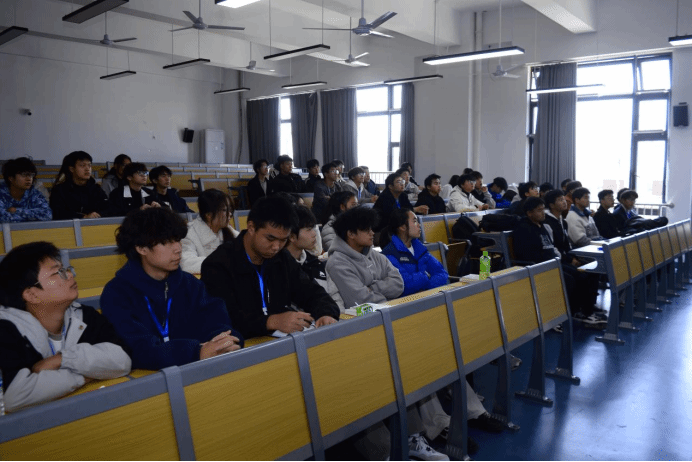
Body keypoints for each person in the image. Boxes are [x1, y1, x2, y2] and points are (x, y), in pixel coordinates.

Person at [101, 208, 243, 370]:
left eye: (178, 240)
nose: (178, 248)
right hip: (150, 379)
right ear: (141, 248)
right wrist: (195, 352)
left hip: (199, 370)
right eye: (167, 242)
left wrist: (224, 342)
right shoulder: (116, 293)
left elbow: (217, 322)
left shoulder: (190, 284)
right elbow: (137, 349)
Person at [0, 242, 132, 413]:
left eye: (66, 269)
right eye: (57, 272)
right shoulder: (7, 330)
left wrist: (62, 360)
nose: (69, 275)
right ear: (31, 294)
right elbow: (15, 396)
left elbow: (122, 360)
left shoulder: (84, 315)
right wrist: (88, 374)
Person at [201, 196, 340, 340]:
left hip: (282, 343)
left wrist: (326, 314)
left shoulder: (282, 258)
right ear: (251, 228)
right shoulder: (218, 264)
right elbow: (223, 321)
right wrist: (270, 321)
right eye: (270, 239)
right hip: (242, 347)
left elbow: (312, 292)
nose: (276, 247)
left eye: (283, 240)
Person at [515, 197, 605, 329]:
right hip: (538, 266)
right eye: (539, 210)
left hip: (552, 263)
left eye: (543, 210)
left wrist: (565, 259)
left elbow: (552, 248)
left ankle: (582, 311)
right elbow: (527, 254)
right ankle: (561, 315)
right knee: (570, 279)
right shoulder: (524, 229)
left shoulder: (542, 226)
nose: (543, 213)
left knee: (584, 272)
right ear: (529, 213)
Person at [543, 190, 605, 324]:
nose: (564, 202)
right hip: (554, 259)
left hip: (565, 256)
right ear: (551, 205)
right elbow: (553, 247)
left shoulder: (562, 221)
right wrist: (570, 259)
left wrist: (574, 257)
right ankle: (577, 311)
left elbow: (567, 245)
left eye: (564, 199)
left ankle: (588, 306)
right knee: (579, 275)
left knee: (593, 268)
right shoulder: (548, 222)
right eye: (560, 200)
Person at [326, 206, 404, 311]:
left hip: (387, 311)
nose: (372, 233)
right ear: (351, 234)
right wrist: (387, 295)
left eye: (371, 228)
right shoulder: (337, 263)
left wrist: (372, 288)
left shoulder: (376, 256)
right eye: (366, 230)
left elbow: (399, 284)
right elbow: (360, 301)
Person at [382, 209, 448, 296]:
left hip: (428, 297)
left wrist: (426, 289)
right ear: (402, 227)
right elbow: (404, 285)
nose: (419, 225)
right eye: (415, 221)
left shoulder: (419, 248)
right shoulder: (390, 254)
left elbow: (442, 274)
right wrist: (426, 276)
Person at [181, 189, 240, 274]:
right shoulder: (189, 233)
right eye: (224, 210)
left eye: (230, 210)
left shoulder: (228, 230)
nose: (230, 214)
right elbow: (186, 263)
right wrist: (224, 263)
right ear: (209, 215)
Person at [49, 151, 108, 220]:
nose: (87, 169)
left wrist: (98, 214)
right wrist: (83, 217)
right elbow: (58, 213)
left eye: (89, 165)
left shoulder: (96, 189)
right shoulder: (59, 190)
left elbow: (107, 208)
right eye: (82, 165)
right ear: (72, 169)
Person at [374, 172, 429, 237]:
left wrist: (418, 210)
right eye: (398, 182)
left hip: (399, 227)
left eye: (402, 181)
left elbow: (408, 208)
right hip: (384, 229)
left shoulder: (403, 195)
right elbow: (392, 215)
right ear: (390, 186)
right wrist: (416, 209)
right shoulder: (385, 197)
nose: (402, 184)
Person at [286, 206, 328, 289]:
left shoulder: (314, 263)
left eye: (313, 228)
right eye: (309, 229)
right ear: (292, 236)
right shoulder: (281, 268)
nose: (314, 234)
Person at [0, 157, 52, 223]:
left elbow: (47, 215)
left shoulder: (34, 193)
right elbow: (3, 218)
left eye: (31, 175)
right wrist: (31, 216)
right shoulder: (1, 193)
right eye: (24, 175)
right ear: (11, 178)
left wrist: (17, 210)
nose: (29, 179)